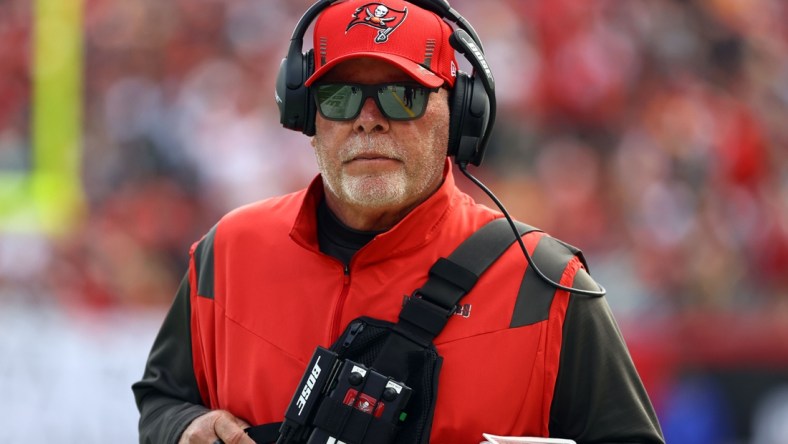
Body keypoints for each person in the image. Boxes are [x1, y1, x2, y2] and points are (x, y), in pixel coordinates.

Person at [132, 1, 665, 443]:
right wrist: (185, 427)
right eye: (339, 97)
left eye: (402, 95)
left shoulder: (547, 283)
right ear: (305, 116)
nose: (369, 118)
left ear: (459, 114)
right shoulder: (227, 251)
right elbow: (162, 397)